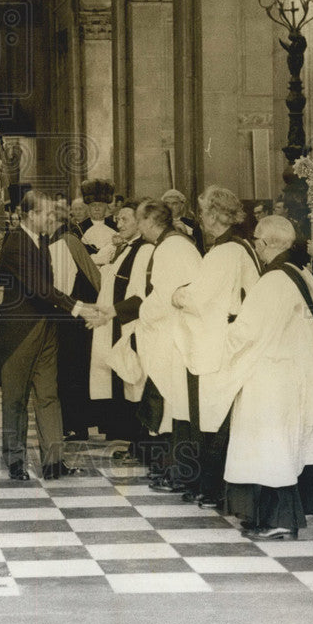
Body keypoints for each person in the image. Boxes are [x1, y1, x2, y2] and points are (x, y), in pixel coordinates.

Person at [223, 216, 313, 540]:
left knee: (273, 448)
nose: (255, 246)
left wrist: (224, 327)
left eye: (257, 240)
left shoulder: (273, 281)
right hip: (298, 373)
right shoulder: (299, 272)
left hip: (274, 377)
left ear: (266, 243)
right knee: (288, 447)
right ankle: (281, 515)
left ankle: (280, 521)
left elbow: (248, 333)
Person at [0, 190, 94, 481]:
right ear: (31, 215)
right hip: (20, 332)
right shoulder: (15, 243)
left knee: (48, 396)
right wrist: (78, 307)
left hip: (46, 328)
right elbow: (40, 289)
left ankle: (54, 462)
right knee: (15, 398)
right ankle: (15, 461)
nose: (51, 218)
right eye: (46, 213)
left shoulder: (41, 240)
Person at [170, 186, 260, 507]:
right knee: (216, 416)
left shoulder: (224, 253)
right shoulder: (239, 246)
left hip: (217, 344)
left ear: (215, 215)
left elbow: (198, 298)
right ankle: (212, 487)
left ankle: (212, 489)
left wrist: (177, 294)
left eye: (204, 212)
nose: (201, 218)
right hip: (226, 340)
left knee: (212, 418)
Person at [124, 198, 203, 491]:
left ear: (149, 221)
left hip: (174, 336)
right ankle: (169, 467)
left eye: (139, 220)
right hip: (173, 333)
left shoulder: (171, 247)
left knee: (172, 405)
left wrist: (142, 315)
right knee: (168, 405)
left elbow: (163, 296)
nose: (139, 226)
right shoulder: (173, 244)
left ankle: (177, 472)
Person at [87, 200, 154, 455]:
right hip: (114, 319)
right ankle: (127, 435)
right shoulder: (126, 248)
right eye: (118, 219)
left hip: (130, 323)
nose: (119, 224)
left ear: (140, 221)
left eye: (125, 219)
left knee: (134, 378)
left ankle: (137, 439)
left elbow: (139, 292)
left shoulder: (144, 250)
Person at [47, 202, 101, 442]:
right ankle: (77, 424)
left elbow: (60, 288)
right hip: (79, 314)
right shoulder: (69, 239)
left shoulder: (61, 243)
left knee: (70, 370)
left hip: (71, 317)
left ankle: (74, 425)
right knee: (77, 368)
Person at [161, 189, 204, 253]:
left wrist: (185, 235)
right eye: (167, 203)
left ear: (182, 206)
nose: (170, 207)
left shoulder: (192, 224)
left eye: (174, 203)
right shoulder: (159, 223)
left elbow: (200, 250)